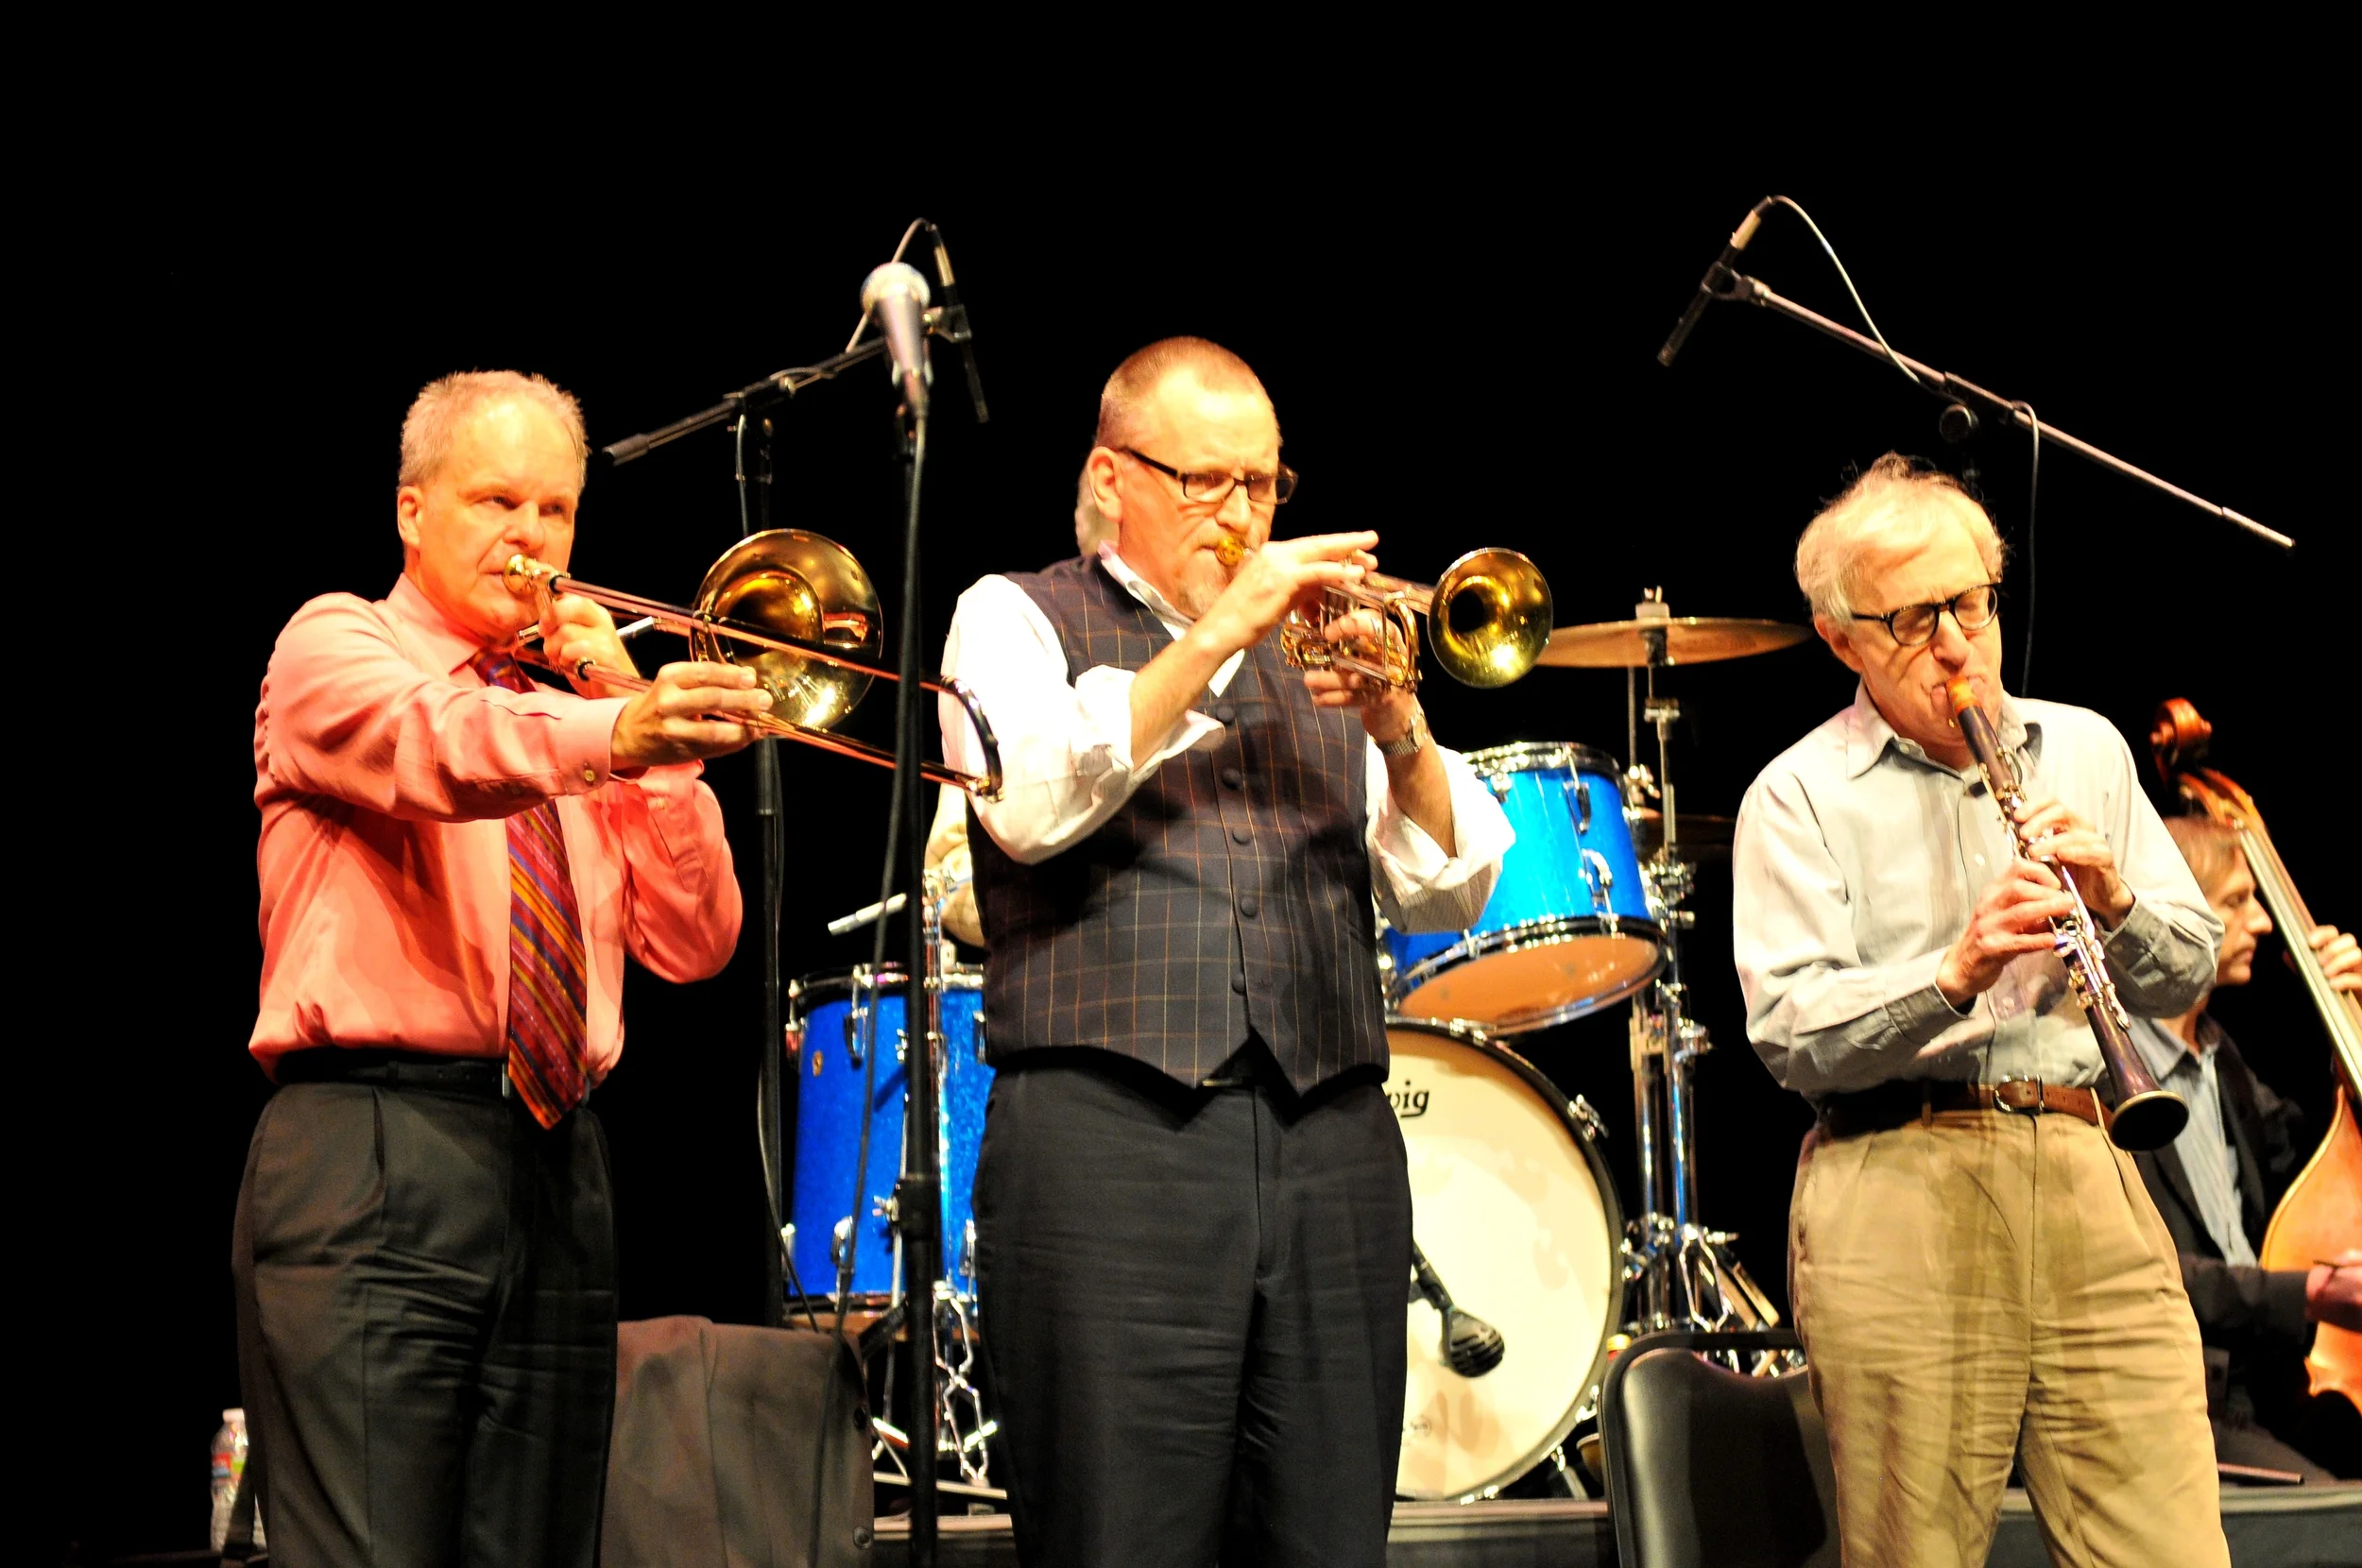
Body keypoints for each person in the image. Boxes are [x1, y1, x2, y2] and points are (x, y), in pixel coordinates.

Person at [936, 337, 1514, 1565]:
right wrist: (1213, 640)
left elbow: (1447, 890)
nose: (1241, 517)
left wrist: (1402, 729)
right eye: (1206, 484)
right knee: (1117, 1532)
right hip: (1111, 1142)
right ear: (1109, 480)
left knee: (1327, 1534)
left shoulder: (1318, 654)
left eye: (1260, 485)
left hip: (1332, 1147)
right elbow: (1029, 802)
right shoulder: (1014, 617)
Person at [237, 370, 774, 1566]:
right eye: (495, 501)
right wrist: (612, 732)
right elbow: (439, 748)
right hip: (376, 1146)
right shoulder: (337, 643)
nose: (531, 540)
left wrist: (645, 736)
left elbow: (696, 941)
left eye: (555, 511)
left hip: (557, 1166)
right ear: (411, 512)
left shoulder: (572, 718)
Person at [1731, 453, 2230, 1566]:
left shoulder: (2086, 748)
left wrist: (2114, 901)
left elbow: (2188, 969)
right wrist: (1950, 974)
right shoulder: (1797, 794)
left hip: (2087, 1162)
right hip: (1898, 1175)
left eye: (1972, 603)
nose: (1958, 644)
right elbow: (1788, 1033)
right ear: (1842, 638)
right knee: (1914, 1549)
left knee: (2168, 1544)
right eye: (1915, 619)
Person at [2117, 812, 2362, 1478]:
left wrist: (2350, 1020)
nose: (2260, 921)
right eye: (2235, 902)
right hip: (2182, 1399)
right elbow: (2143, 1271)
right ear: (2176, 914)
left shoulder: (2223, 1064)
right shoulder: (2112, 1078)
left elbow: (2327, 1167)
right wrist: (2305, 1294)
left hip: (2269, 1385)